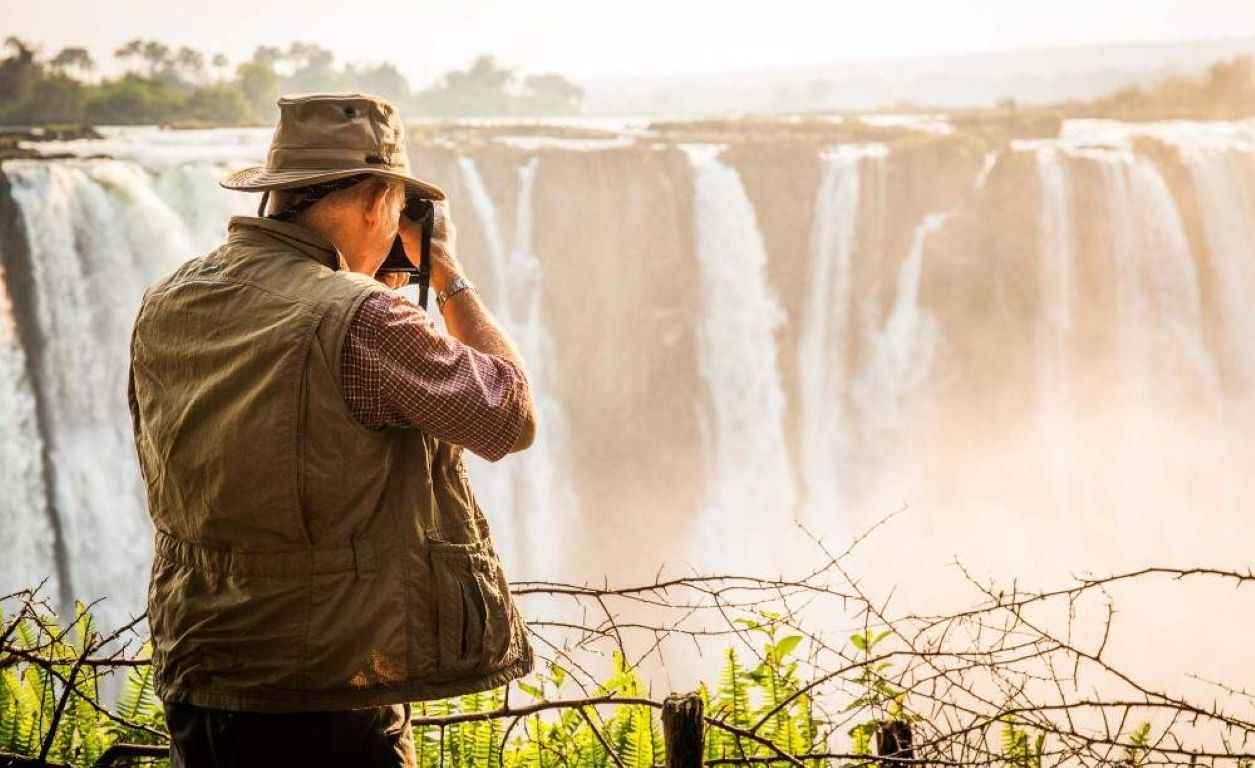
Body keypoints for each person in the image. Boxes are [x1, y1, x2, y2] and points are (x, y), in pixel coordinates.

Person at [126, 92, 538, 767]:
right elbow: (509, 416)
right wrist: (448, 275)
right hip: (325, 693)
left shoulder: (170, 297)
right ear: (379, 201)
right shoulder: (365, 320)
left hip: (199, 670)